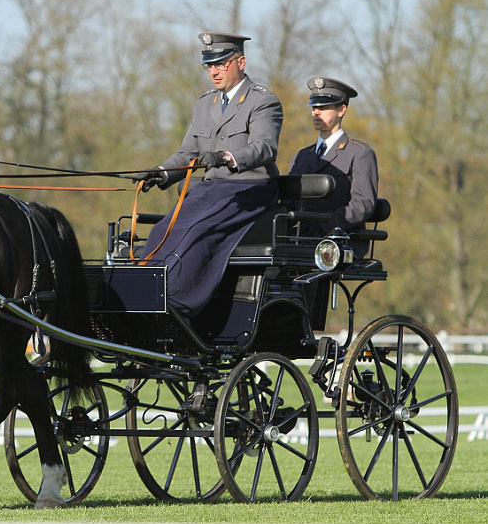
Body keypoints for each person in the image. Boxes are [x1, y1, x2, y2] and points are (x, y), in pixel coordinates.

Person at [136, 32, 283, 319]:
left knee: (196, 231)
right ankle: (145, 298)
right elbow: (187, 153)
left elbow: (265, 147)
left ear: (240, 62)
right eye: (209, 65)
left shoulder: (263, 102)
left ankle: (179, 305)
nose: (214, 71)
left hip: (248, 189)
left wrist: (226, 157)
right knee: (160, 232)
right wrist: (161, 172)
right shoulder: (204, 104)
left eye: (221, 64)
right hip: (210, 189)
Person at [288, 76, 379, 258]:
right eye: (314, 108)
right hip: (301, 240)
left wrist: (330, 222)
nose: (316, 113)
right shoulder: (302, 156)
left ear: (341, 109)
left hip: (340, 240)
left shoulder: (359, 153)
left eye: (323, 108)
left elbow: (363, 203)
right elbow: (289, 202)